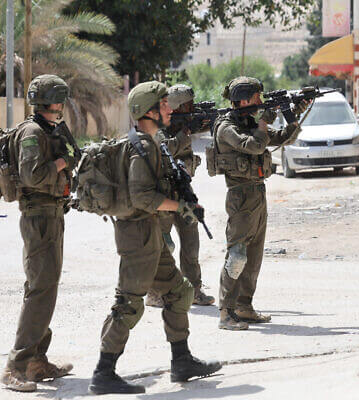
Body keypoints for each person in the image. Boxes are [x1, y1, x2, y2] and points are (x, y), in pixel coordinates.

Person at [88, 81, 222, 395]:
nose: (169, 110)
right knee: (128, 305)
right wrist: (182, 207)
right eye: (163, 105)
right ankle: (103, 372)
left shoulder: (150, 141)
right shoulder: (143, 146)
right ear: (148, 110)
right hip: (137, 236)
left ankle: (182, 361)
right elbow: (142, 197)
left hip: (148, 234)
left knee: (179, 292)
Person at [1, 74, 76, 391]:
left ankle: (36, 361)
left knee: (45, 287)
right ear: (53, 101)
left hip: (52, 213)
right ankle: (14, 367)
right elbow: (32, 175)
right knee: (40, 289)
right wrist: (62, 161)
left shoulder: (50, 129)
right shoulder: (32, 132)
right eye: (60, 99)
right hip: (38, 217)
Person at [213, 77, 305, 330]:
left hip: (257, 193)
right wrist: (264, 121)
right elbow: (254, 146)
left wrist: (292, 112)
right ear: (242, 100)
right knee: (237, 255)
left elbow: (284, 138)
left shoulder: (250, 122)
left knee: (253, 256)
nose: (260, 103)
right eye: (256, 98)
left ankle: (244, 306)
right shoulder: (226, 127)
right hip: (240, 196)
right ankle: (225, 313)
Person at [146, 84, 215, 308]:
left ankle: (194, 288)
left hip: (183, 193)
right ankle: (155, 292)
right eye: (187, 106)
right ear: (175, 108)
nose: (191, 109)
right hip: (164, 196)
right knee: (164, 246)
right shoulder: (158, 130)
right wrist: (184, 134)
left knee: (191, 242)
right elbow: (164, 151)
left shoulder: (182, 127)